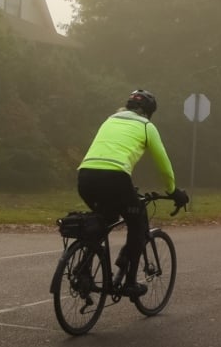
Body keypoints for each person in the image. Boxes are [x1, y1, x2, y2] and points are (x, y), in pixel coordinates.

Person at [77, 89, 185, 298]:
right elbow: (163, 165)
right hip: (116, 178)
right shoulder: (146, 126)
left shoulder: (110, 120)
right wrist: (173, 191)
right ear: (149, 112)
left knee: (104, 220)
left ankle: (83, 271)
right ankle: (130, 283)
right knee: (139, 223)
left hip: (85, 177)